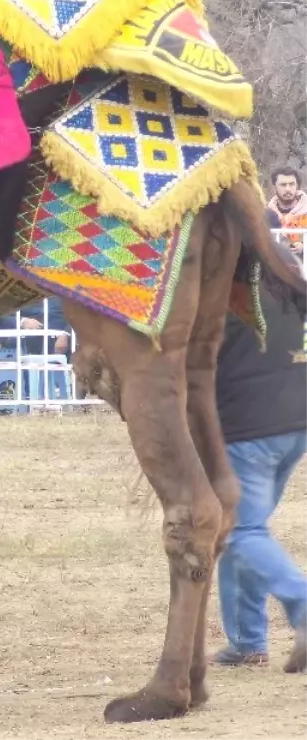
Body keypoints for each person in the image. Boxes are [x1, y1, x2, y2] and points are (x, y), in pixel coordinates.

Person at [212, 207, 307, 672]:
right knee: (242, 531)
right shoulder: (286, 273)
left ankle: (304, 607)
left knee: (242, 530)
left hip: (248, 428)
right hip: (295, 423)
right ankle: (248, 641)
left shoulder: (216, 289)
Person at [267, 166, 306, 257]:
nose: (288, 189)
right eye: (283, 185)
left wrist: (303, 246)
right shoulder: (267, 215)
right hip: (274, 269)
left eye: (292, 184)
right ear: (274, 188)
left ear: (297, 186)